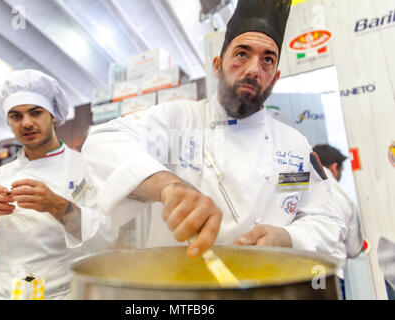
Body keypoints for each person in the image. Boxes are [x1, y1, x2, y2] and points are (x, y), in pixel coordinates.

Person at [81, 0, 344, 261]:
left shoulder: (294, 146)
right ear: (217, 65)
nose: (254, 69)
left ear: (275, 77)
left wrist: (288, 237)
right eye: (242, 54)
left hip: (264, 286)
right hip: (180, 292)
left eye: (267, 60)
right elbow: (104, 142)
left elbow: (326, 221)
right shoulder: (180, 119)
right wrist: (169, 186)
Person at [0, 69, 114, 299]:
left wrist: (56, 205)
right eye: (15, 116)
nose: (26, 123)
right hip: (3, 294)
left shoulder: (86, 168)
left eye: (35, 112)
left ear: (54, 115)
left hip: (62, 295)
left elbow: (107, 239)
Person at [313, 144, 363, 299]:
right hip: (332, 275)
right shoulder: (345, 198)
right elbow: (353, 250)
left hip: (301, 274)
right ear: (335, 167)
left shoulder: (298, 187)